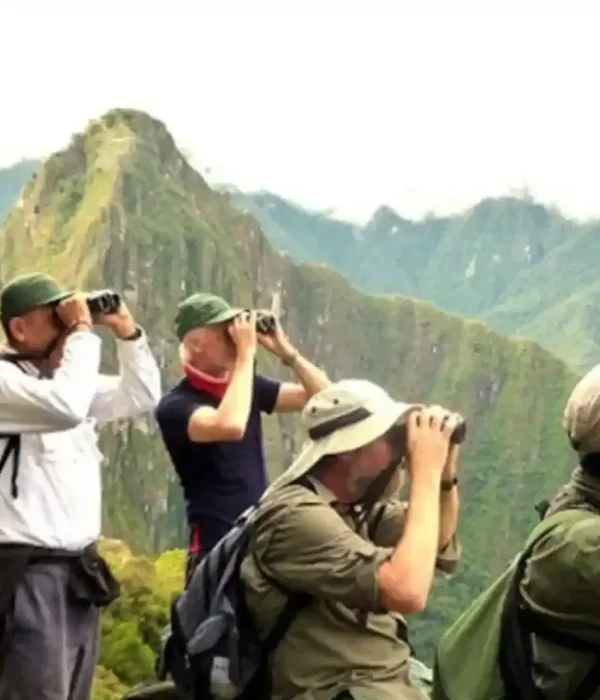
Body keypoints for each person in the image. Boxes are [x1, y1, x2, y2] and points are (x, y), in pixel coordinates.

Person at [239, 378, 463, 700]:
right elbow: (407, 592)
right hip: (334, 691)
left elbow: (437, 542)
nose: (401, 451)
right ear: (348, 450)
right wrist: (424, 473)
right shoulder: (292, 514)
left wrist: (444, 474)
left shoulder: (354, 509)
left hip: (381, 684)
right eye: (391, 438)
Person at [0, 272, 162, 700]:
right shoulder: (7, 383)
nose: (67, 323)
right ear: (19, 328)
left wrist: (128, 334)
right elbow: (67, 408)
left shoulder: (63, 383)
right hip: (26, 576)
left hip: (78, 572)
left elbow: (141, 396)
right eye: (55, 317)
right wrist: (84, 332)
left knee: (74, 691)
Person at [155, 292, 330, 584]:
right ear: (196, 344)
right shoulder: (176, 406)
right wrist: (246, 356)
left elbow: (326, 398)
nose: (234, 337)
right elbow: (230, 424)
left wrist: (287, 353)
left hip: (258, 543)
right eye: (224, 331)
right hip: (215, 551)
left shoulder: (247, 386)